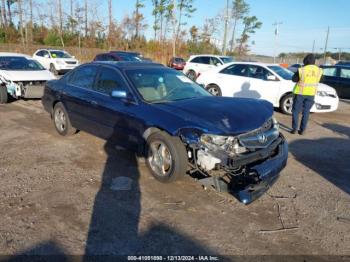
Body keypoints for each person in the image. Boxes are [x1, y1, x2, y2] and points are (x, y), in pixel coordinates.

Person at [291, 54, 323, 135]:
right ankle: (302, 130)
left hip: (300, 93)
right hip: (311, 94)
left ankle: (294, 129)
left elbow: (294, 79)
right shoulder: (319, 70)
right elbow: (321, 80)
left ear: (305, 61)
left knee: (296, 111)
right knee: (306, 112)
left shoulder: (302, 69)